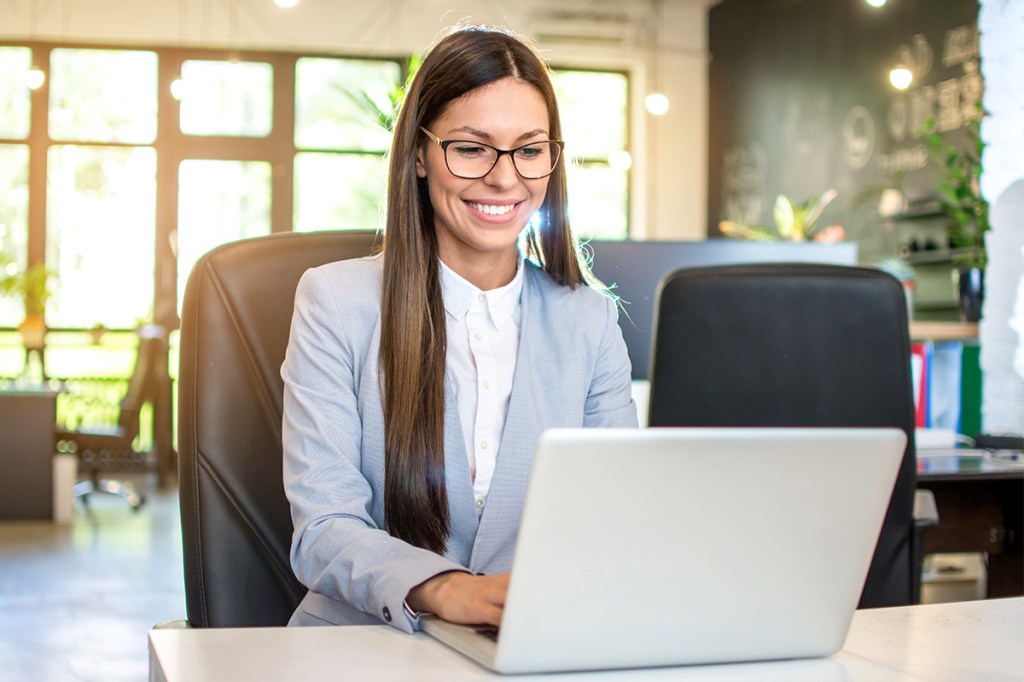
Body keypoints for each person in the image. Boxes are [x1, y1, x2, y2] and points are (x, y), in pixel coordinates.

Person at [281, 24, 637, 633]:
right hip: (361, 648)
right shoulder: (335, 303)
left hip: (531, 647)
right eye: (471, 148)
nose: (505, 178)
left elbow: (617, 513)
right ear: (419, 155)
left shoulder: (589, 320)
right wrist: (445, 590)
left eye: (529, 149)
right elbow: (322, 528)